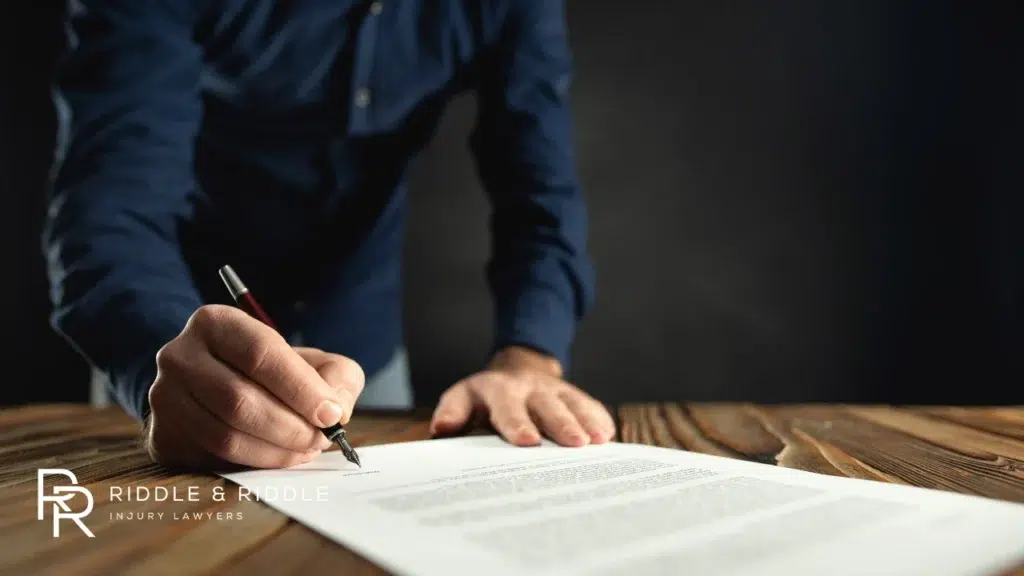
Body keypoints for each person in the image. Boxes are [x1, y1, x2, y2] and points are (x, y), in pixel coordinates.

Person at [43, 0, 614, 469]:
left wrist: (527, 361)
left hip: (362, 346)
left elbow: (541, 196)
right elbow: (111, 207)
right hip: (175, 343)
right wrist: (159, 364)